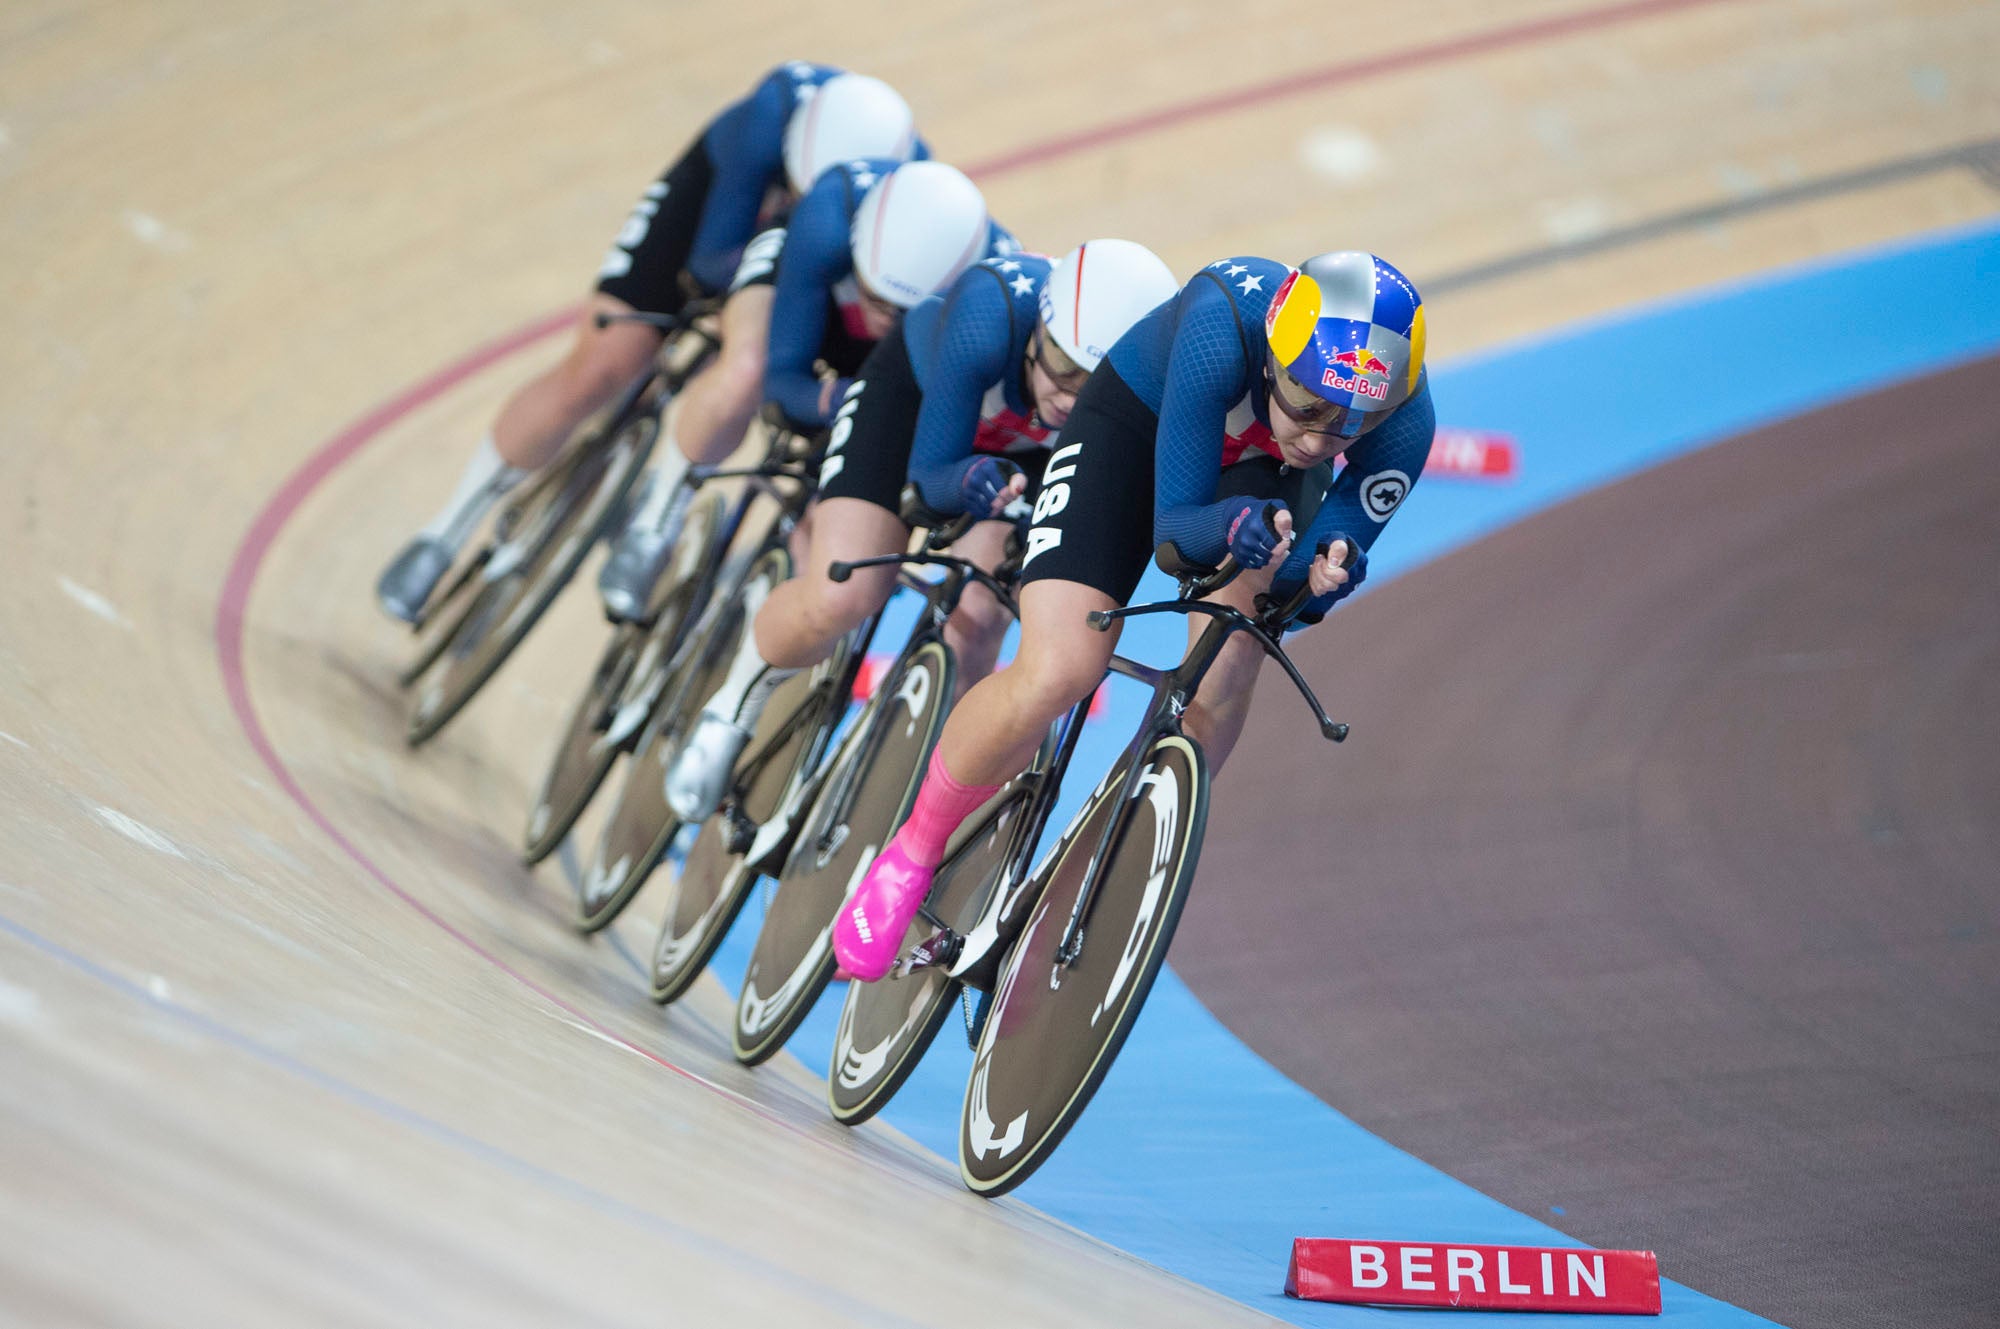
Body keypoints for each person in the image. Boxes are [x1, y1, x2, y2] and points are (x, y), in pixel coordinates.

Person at [833, 251, 1438, 982]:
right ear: (1276, 361)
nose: (1318, 439)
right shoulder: (1221, 327)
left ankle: (1088, 877)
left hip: (1253, 472)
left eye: (1349, 427)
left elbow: (1305, 580)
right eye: (1308, 406)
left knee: (1228, 672)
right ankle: (914, 851)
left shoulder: (1403, 419)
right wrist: (1232, 526)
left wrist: (1322, 574)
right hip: (1136, 424)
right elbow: (1176, 532)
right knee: (1060, 668)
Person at [375, 62, 923, 620]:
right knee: (607, 363)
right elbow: (711, 262)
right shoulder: (769, 119)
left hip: (821, 262)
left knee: (755, 363)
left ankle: (659, 506)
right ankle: (444, 531)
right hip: (721, 219)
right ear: (795, 152)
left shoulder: (910, 194)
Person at [661, 239, 1179, 822]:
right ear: (1040, 328)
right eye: (1061, 369)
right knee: (842, 594)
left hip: (1019, 462)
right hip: (914, 408)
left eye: (1093, 388)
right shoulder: (990, 316)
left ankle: (928, 794)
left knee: (981, 620)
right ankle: (729, 709)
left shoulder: (1145, 395)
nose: (1066, 398)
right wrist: (971, 480)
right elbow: (928, 481)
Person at [593, 156, 1016, 618]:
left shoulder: (990, 294)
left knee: (837, 533)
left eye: (902, 310)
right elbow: (783, 382)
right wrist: (832, 398)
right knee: (747, 371)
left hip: (909, 357)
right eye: (877, 298)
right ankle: (658, 515)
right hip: (814, 299)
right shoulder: (827, 223)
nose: (886, 317)